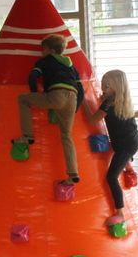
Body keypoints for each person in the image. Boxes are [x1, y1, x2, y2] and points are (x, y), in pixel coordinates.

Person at [13, 34, 85, 185]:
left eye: (43, 49)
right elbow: (81, 89)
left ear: (51, 50)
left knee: (23, 100)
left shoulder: (45, 61)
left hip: (56, 94)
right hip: (72, 98)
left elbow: (33, 76)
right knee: (66, 136)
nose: (42, 52)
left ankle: (27, 136)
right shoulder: (71, 65)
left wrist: (34, 93)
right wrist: (75, 108)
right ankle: (73, 174)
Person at [82, 69, 138, 226]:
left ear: (116, 87)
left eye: (107, 86)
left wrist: (83, 101)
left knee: (111, 177)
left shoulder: (108, 104)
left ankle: (120, 213)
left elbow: (92, 120)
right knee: (118, 149)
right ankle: (129, 167)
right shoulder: (124, 101)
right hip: (134, 139)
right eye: (103, 84)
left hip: (124, 145)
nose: (103, 88)